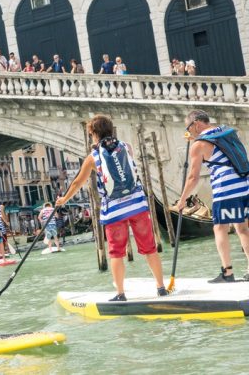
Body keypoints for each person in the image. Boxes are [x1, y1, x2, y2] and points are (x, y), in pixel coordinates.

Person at [55, 114, 167, 301]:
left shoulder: (93, 157)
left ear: (94, 134)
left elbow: (77, 183)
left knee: (116, 253)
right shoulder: (126, 147)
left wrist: (64, 199)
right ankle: (161, 288)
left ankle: (120, 294)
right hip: (137, 205)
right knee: (150, 248)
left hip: (114, 212)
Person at [177, 110, 249, 282]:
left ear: (196, 124)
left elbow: (193, 177)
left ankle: (227, 273)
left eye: (188, 128)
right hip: (245, 185)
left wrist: (182, 200)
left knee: (219, 228)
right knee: (243, 228)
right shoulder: (225, 131)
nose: (188, 131)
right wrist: (195, 140)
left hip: (226, 190)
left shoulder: (198, 145)